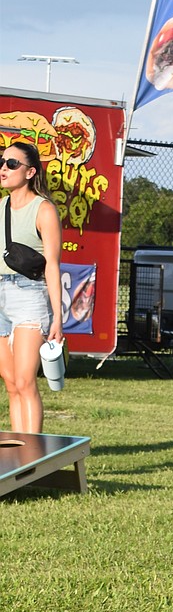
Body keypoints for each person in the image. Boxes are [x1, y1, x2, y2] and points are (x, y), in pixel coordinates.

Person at [0, 141, 63, 432]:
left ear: (29, 172)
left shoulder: (44, 209)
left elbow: (52, 264)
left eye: (12, 164)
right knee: (11, 383)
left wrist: (58, 319)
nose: (4, 169)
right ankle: (17, 454)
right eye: (2, 162)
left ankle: (33, 455)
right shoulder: (0, 207)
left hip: (28, 296)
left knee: (26, 381)